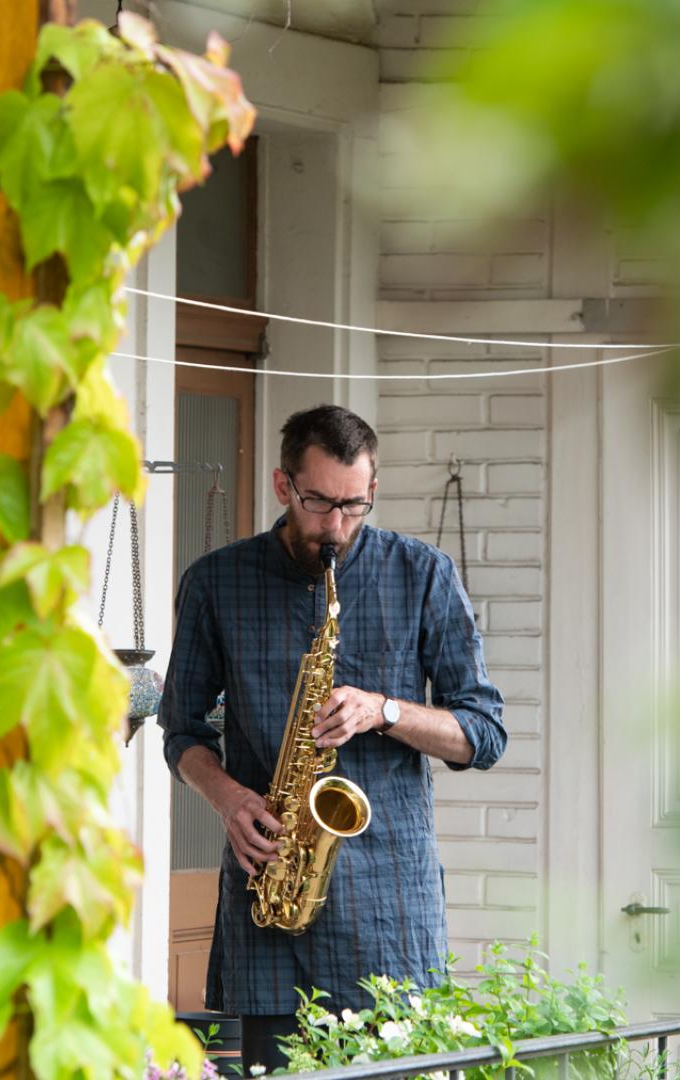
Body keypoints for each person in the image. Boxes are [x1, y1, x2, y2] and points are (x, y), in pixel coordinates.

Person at [159, 404, 506, 1074]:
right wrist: (229, 799)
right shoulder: (216, 582)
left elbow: (482, 734)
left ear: (372, 489)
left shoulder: (423, 574)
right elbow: (182, 733)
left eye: (355, 504)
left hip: (390, 911)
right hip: (270, 905)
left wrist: (386, 711)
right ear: (284, 485)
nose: (337, 526)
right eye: (320, 503)